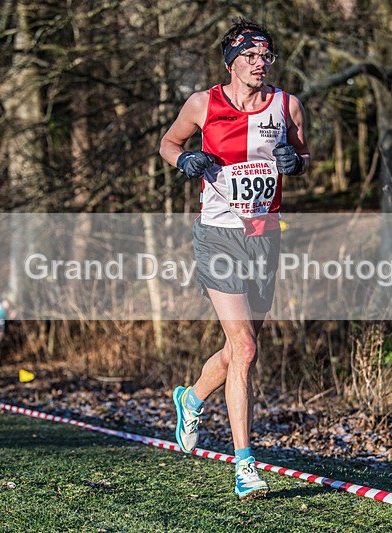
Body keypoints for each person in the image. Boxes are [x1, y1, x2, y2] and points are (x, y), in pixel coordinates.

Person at [159, 18, 310, 500]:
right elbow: (168, 142)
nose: (260, 63)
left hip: (265, 237)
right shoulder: (203, 103)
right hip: (218, 236)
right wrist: (184, 161)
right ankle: (246, 466)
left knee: (237, 349)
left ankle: (191, 397)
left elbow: (306, 155)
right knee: (244, 349)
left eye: (266, 56)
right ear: (232, 61)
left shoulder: (288, 105)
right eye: (251, 56)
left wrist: (297, 162)